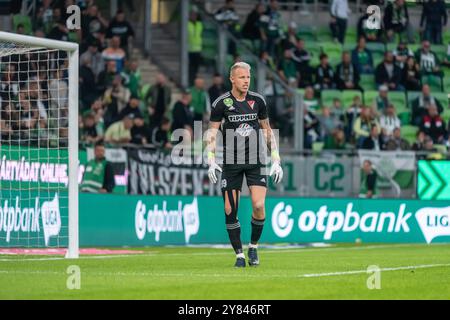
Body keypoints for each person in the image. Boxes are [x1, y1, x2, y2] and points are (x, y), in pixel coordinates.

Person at [206, 62, 283, 268]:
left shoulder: (258, 100)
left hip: (255, 161)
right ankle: (239, 254)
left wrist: (276, 158)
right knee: (230, 209)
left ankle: (254, 247)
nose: (246, 81)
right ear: (232, 79)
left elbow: (267, 130)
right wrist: (211, 159)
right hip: (231, 163)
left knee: (258, 205)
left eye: (248, 77)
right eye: (242, 77)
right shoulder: (221, 103)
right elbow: (212, 133)